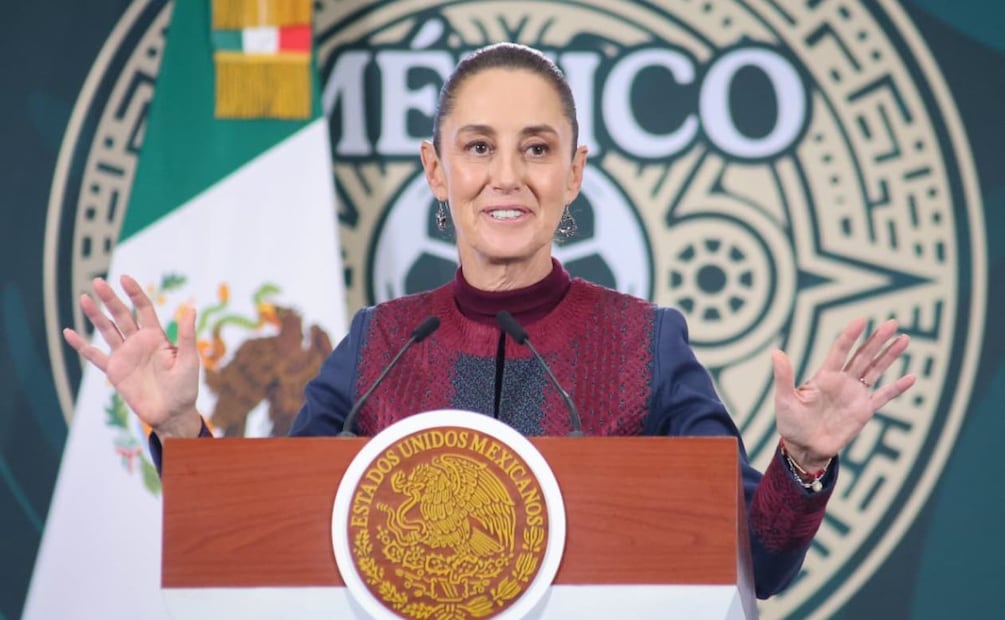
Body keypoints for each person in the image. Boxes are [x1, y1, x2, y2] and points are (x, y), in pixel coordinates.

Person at [63, 42, 914, 599]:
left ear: (574, 172)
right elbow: (272, 545)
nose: (506, 176)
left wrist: (801, 459)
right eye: (477, 147)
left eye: (536, 149)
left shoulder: (646, 341)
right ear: (436, 170)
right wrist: (179, 426)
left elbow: (754, 565)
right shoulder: (381, 346)